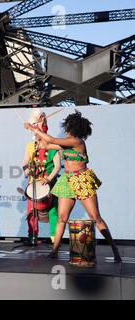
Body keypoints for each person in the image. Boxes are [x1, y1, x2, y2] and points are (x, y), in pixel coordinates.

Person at [24, 110, 121, 262]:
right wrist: (40, 126)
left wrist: (32, 128)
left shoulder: (77, 141)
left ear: (70, 127)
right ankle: (54, 251)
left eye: (67, 125)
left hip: (81, 179)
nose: (65, 127)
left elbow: (49, 139)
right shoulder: (65, 143)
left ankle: (115, 250)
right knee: (62, 218)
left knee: (95, 218)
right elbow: (45, 145)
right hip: (67, 180)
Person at [22, 109, 60, 245]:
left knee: (54, 211)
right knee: (31, 212)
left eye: (38, 129)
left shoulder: (52, 145)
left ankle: (54, 238)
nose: (36, 132)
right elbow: (25, 164)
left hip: (50, 182)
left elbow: (57, 166)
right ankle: (32, 236)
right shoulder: (30, 146)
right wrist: (27, 171)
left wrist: (49, 179)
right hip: (34, 183)